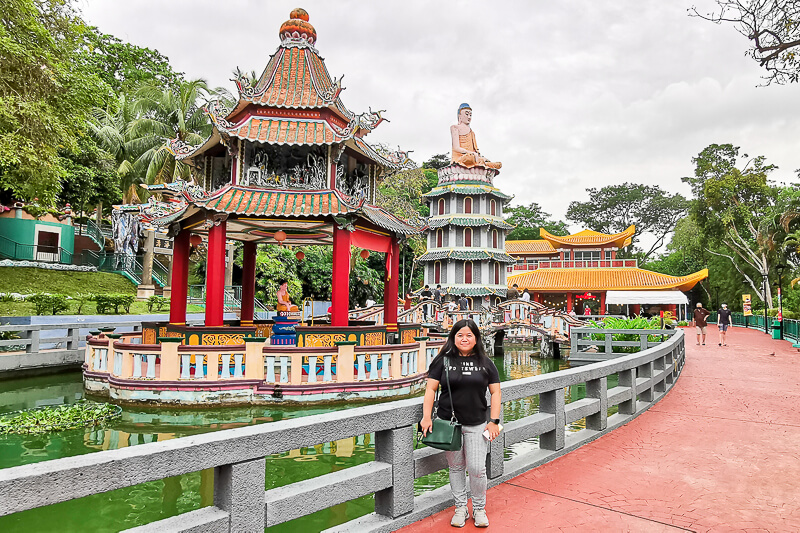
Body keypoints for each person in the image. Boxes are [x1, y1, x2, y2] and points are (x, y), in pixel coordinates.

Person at [419, 319, 501, 528]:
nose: (464, 339)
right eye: (460, 335)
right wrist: (426, 417)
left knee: (477, 468)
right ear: (453, 338)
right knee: (456, 467)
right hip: (449, 424)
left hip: (476, 424)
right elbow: (430, 390)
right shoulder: (443, 361)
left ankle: (479, 508)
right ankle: (460, 508)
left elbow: (495, 392)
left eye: (469, 335)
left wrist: (494, 421)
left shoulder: (485, 362)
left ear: (476, 338)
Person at [450, 103, 502, 170]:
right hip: (461, 158)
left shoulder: (472, 133)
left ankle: (484, 163)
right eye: (466, 114)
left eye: (470, 115)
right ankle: (484, 164)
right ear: (460, 115)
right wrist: (469, 153)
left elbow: (475, 150)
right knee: (470, 158)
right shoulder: (455, 128)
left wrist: (481, 157)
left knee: (478, 159)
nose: (469, 117)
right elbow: (456, 147)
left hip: (473, 157)